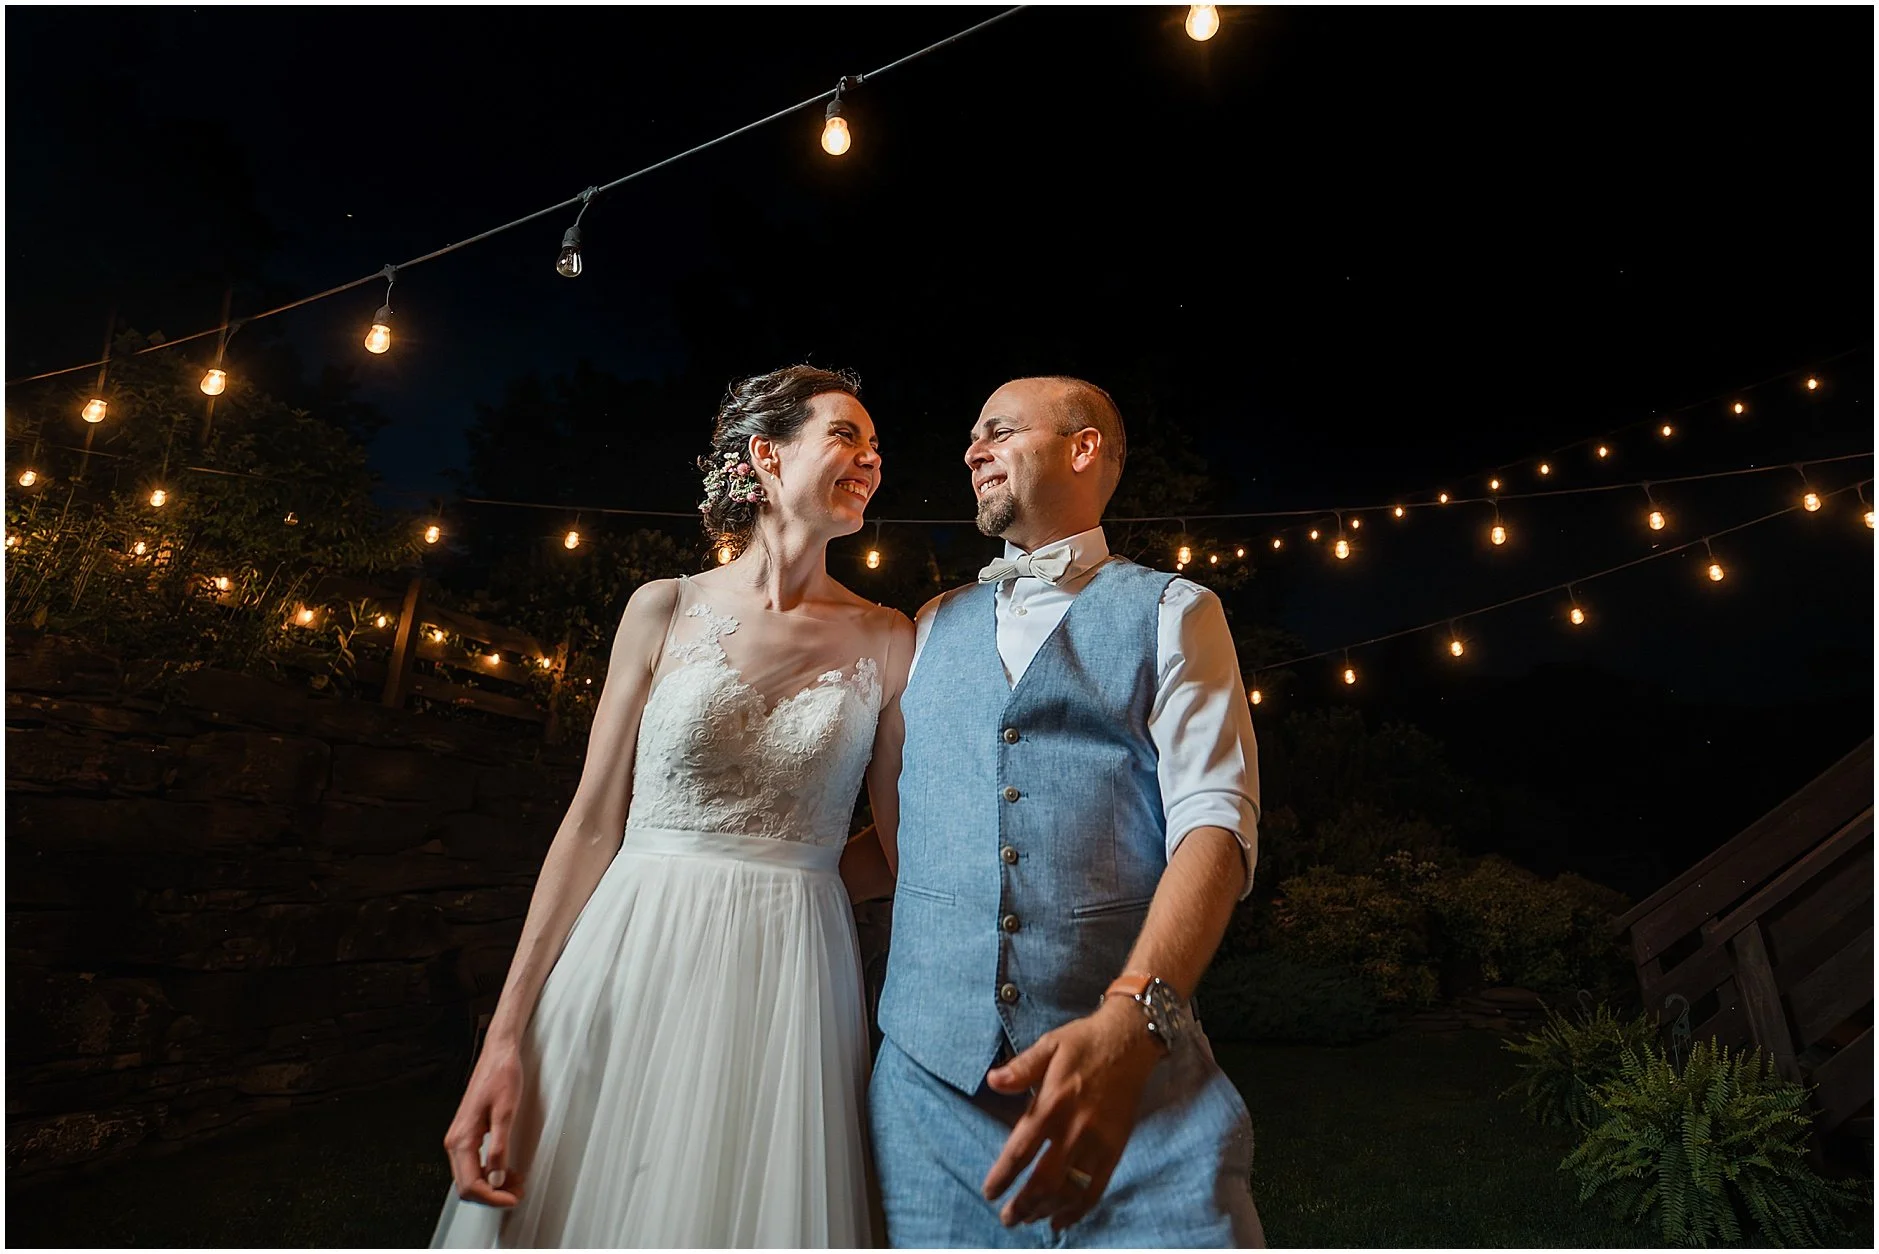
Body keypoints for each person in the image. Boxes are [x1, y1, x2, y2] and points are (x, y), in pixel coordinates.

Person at [432, 365, 912, 1248]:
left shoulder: (889, 636)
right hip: (631, 944)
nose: (872, 459)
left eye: (876, 447)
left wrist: (791, 887)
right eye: (847, 435)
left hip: (793, 974)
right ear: (767, 455)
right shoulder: (663, 608)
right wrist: (503, 1038)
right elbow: (588, 827)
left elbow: (900, 844)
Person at [869, 376, 1266, 1247]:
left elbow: (1217, 827)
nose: (972, 449)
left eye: (1000, 431)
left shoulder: (1176, 611)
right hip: (927, 1102)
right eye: (972, 435)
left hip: (1138, 1091)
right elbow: (902, 820)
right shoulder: (930, 624)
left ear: (1082, 448)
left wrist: (1130, 1020)